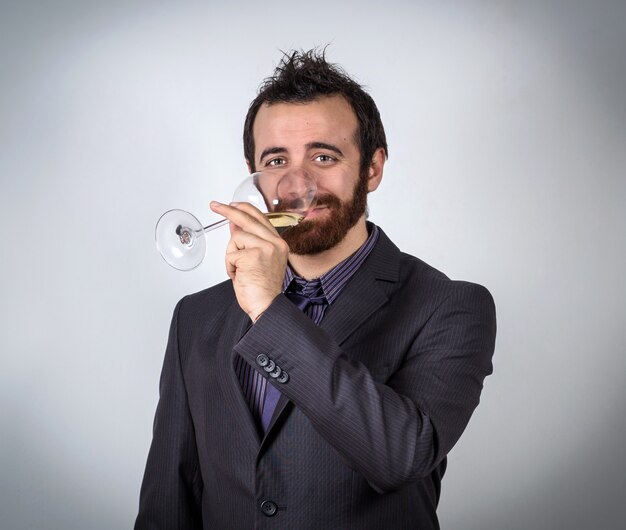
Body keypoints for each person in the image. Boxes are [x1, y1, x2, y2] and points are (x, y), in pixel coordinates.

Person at [135, 49, 496, 530]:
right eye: (276, 160)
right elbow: (169, 500)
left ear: (372, 168)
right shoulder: (196, 318)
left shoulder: (451, 307)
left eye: (324, 156)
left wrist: (269, 308)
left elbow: (400, 457)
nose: (298, 183)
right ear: (252, 171)